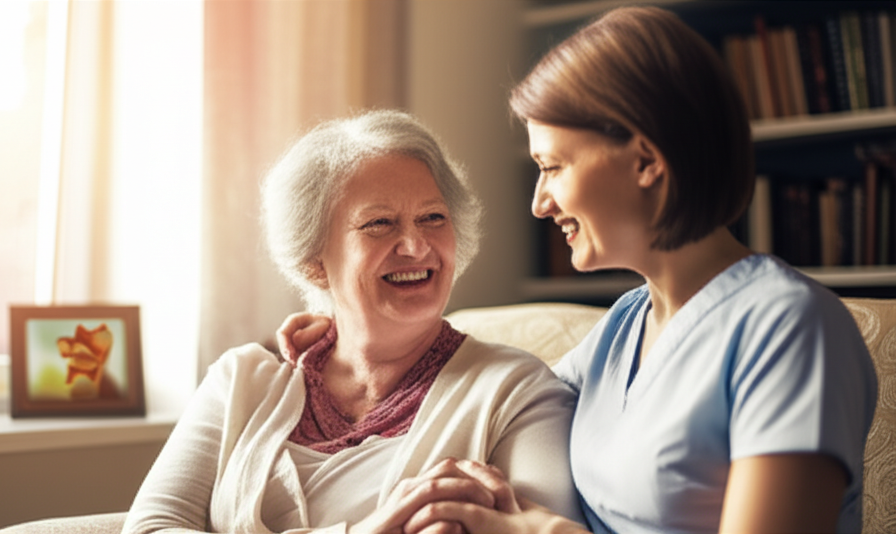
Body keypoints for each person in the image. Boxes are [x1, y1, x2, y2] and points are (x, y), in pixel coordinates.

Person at [277, 7, 879, 534]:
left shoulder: (790, 329)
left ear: (645, 160)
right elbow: (483, 382)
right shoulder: (625, 327)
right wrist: (345, 334)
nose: (540, 202)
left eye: (554, 167)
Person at [121, 109, 583, 534]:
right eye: (379, 223)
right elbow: (149, 527)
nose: (416, 246)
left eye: (433, 218)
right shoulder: (240, 382)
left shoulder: (516, 390)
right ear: (313, 262)